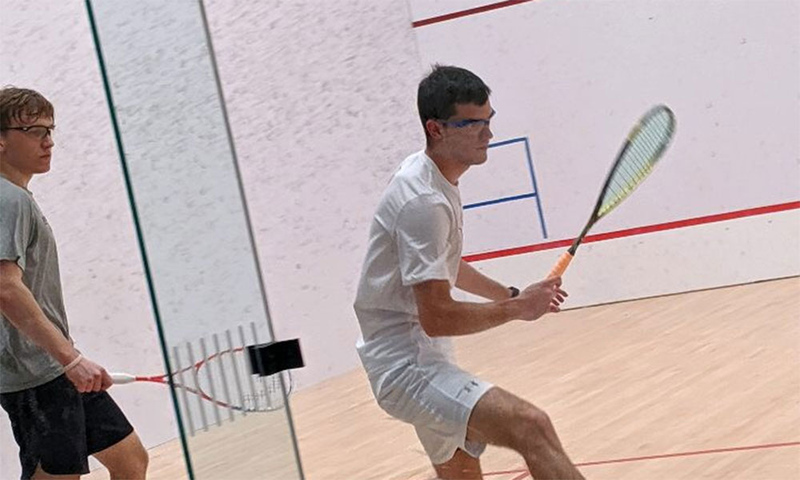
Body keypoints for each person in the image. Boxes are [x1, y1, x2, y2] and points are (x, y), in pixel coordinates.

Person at [353, 66, 584, 479]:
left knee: (461, 473)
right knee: (532, 427)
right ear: (436, 128)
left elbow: (446, 264)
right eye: (473, 124)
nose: (488, 134)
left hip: (424, 358)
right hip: (407, 369)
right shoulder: (423, 202)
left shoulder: (430, 177)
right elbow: (438, 317)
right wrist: (517, 310)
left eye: (489, 120)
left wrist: (510, 296)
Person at [0, 87, 148, 480]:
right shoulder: (6, 201)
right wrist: (70, 359)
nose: (48, 141)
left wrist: (67, 356)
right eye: (34, 130)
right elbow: (5, 289)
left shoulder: (17, 197)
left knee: (130, 460)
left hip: (53, 364)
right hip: (32, 373)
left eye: (50, 130)